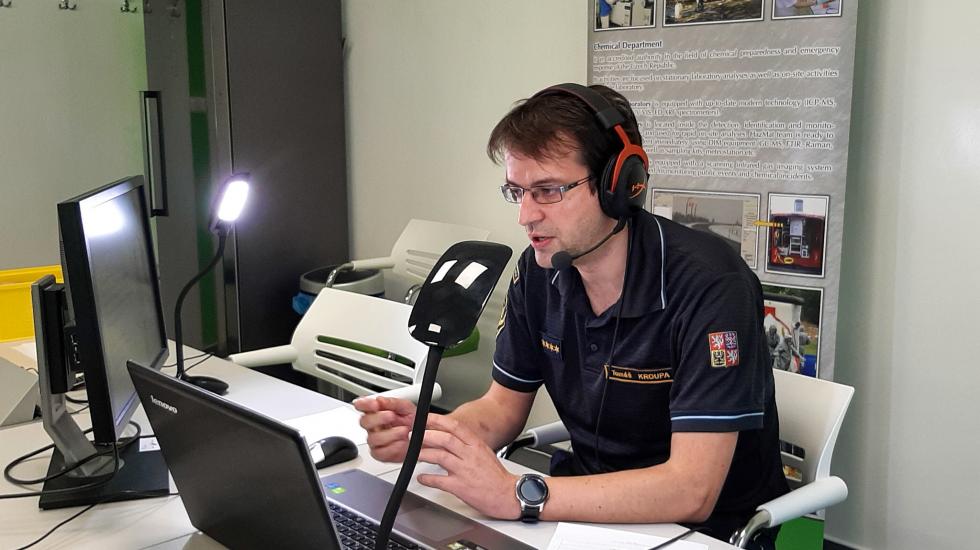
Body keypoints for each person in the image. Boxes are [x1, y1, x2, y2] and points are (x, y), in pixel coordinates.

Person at [354, 83, 788, 548]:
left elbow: (692, 491)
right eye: (516, 191)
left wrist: (519, 496)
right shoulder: (540, 269)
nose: (525, 216)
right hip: (584, 514)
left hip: (703, 534)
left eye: (547, 191)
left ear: (618, 185)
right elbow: (502, 406)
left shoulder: (710, 286)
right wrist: (430, 434)